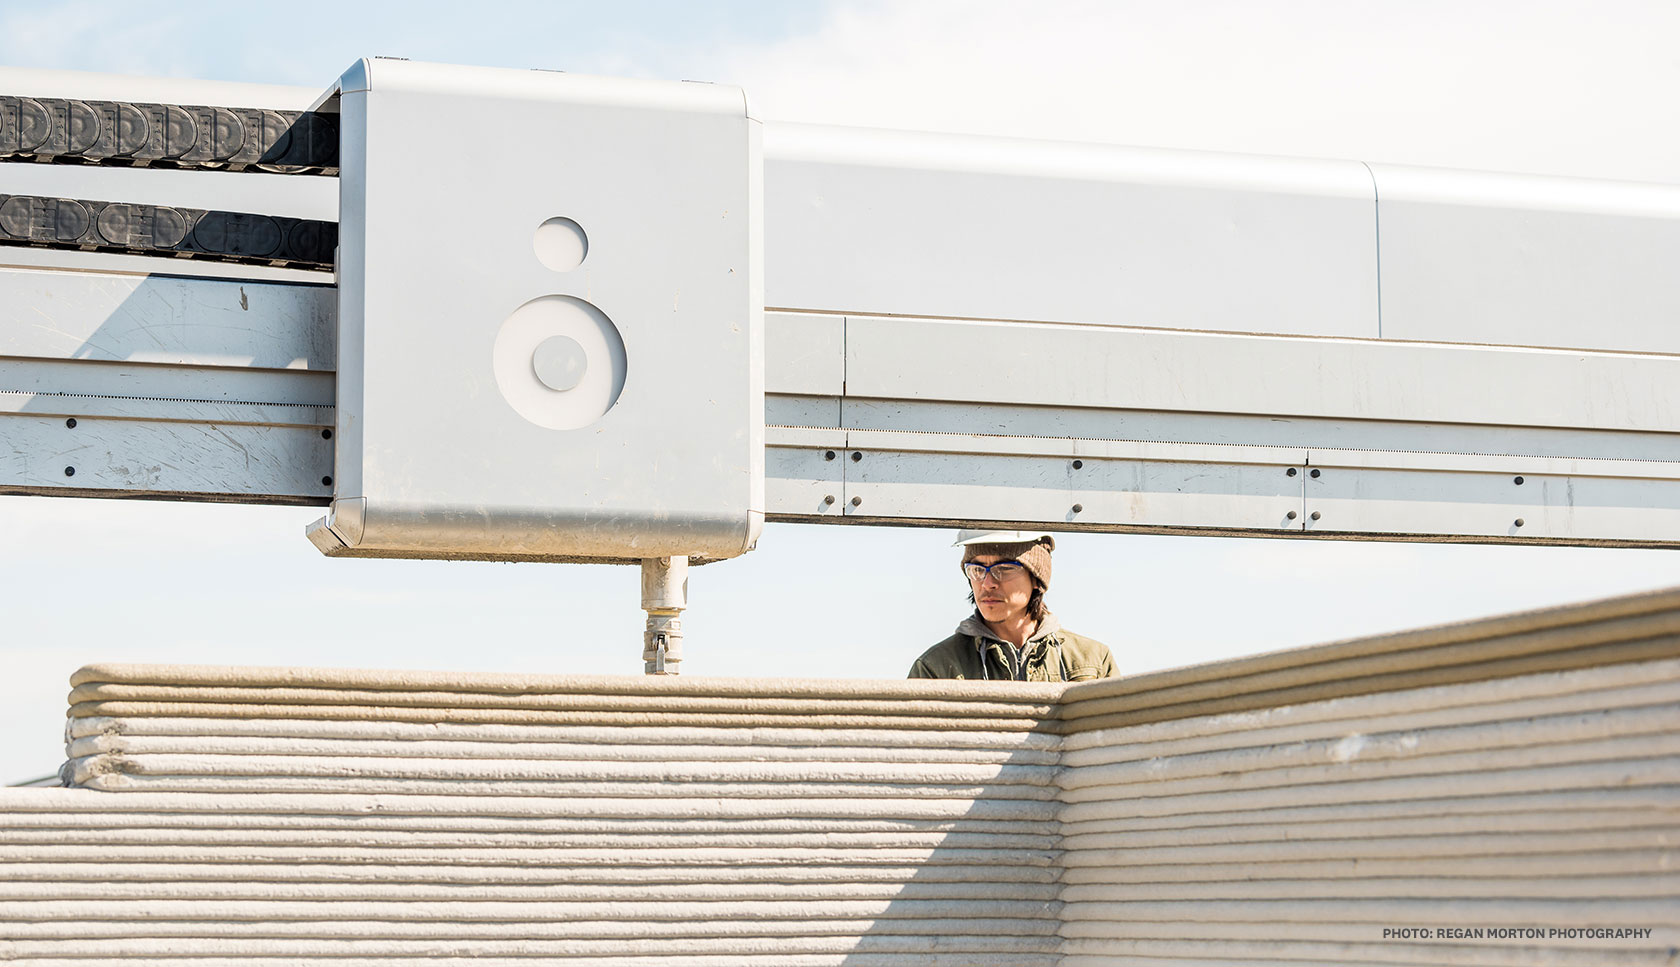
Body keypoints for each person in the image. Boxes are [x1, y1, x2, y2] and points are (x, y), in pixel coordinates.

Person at [908, 530, 1116, 682]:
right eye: (977, 569)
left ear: (1036, 578)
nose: (987, 583)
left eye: (1004, 568)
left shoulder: (1093, 661)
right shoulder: (935, 668)